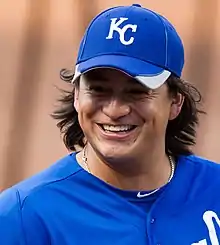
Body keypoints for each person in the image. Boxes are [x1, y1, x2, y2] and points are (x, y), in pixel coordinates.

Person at [0, 3, 220, 245]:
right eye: (98, 90)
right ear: (77, 96)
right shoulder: (24, 217)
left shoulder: (214, 190)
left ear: (175, 102)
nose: (114, 110)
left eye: (137, 92)